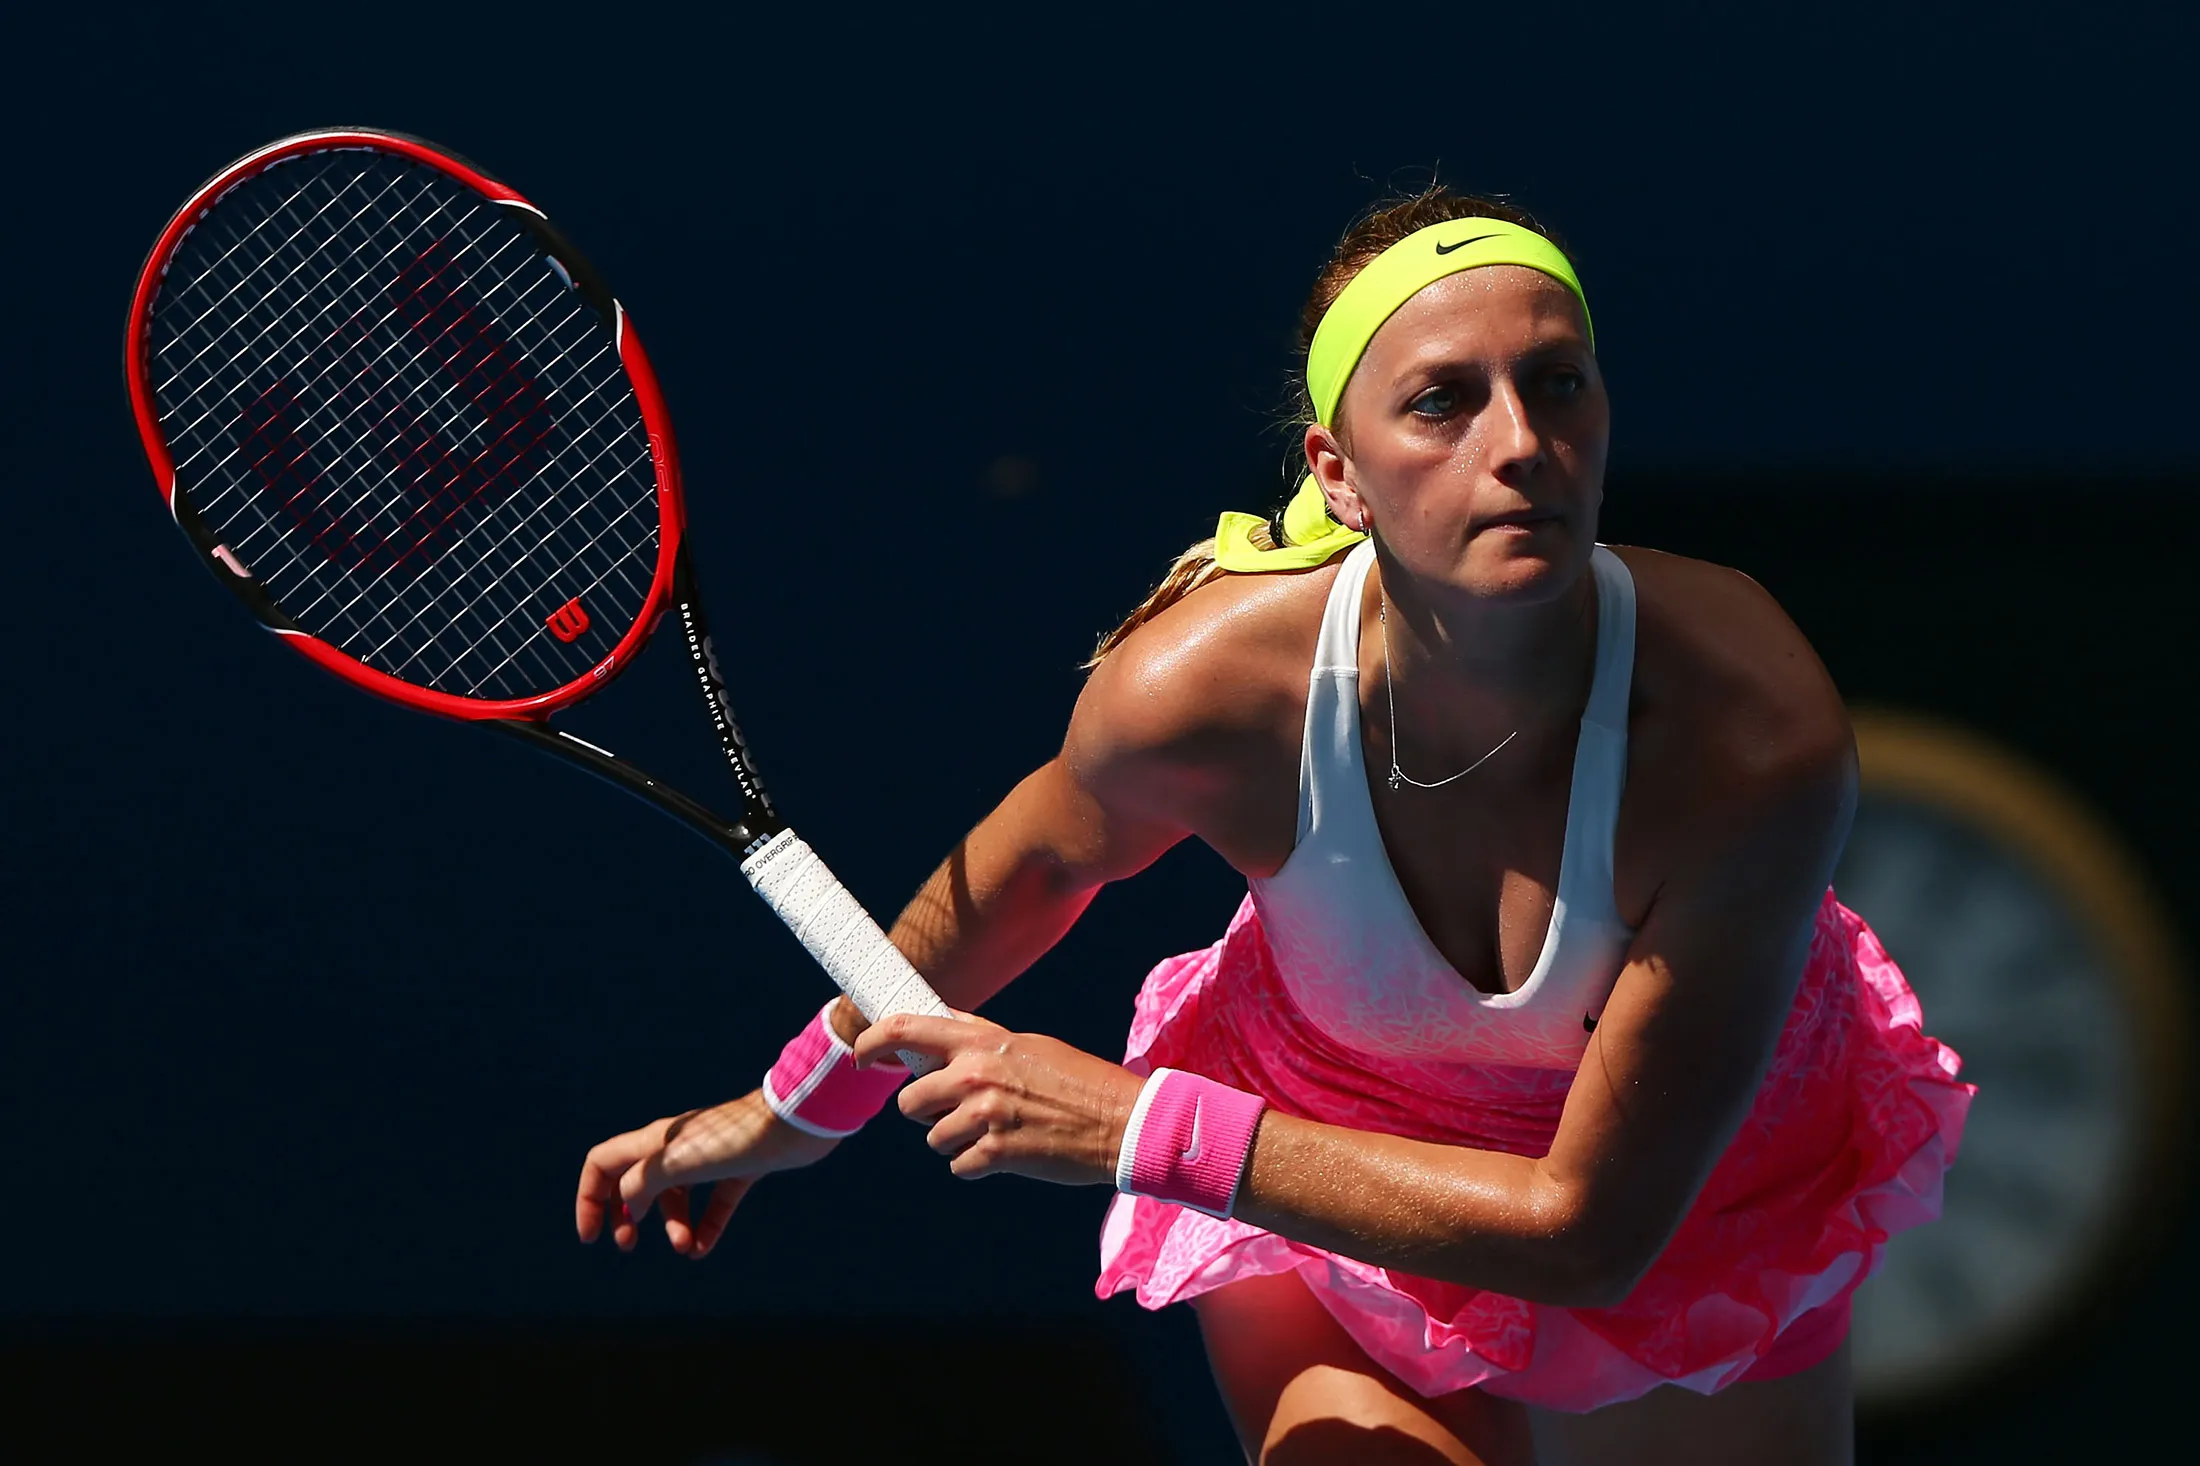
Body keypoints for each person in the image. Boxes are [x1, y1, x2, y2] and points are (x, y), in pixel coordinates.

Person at [573, 188, 1972, 1466]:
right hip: (1334, 1174)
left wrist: (1134, 1121)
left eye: (1557, 386)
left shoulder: (1749, 733)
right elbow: (1037, 864)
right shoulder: (1200, 691)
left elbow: (1590, 1229)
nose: (1522, 446)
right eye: (1442, 403)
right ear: (1339, 473)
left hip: (1696, 1211)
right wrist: (791, 1109)